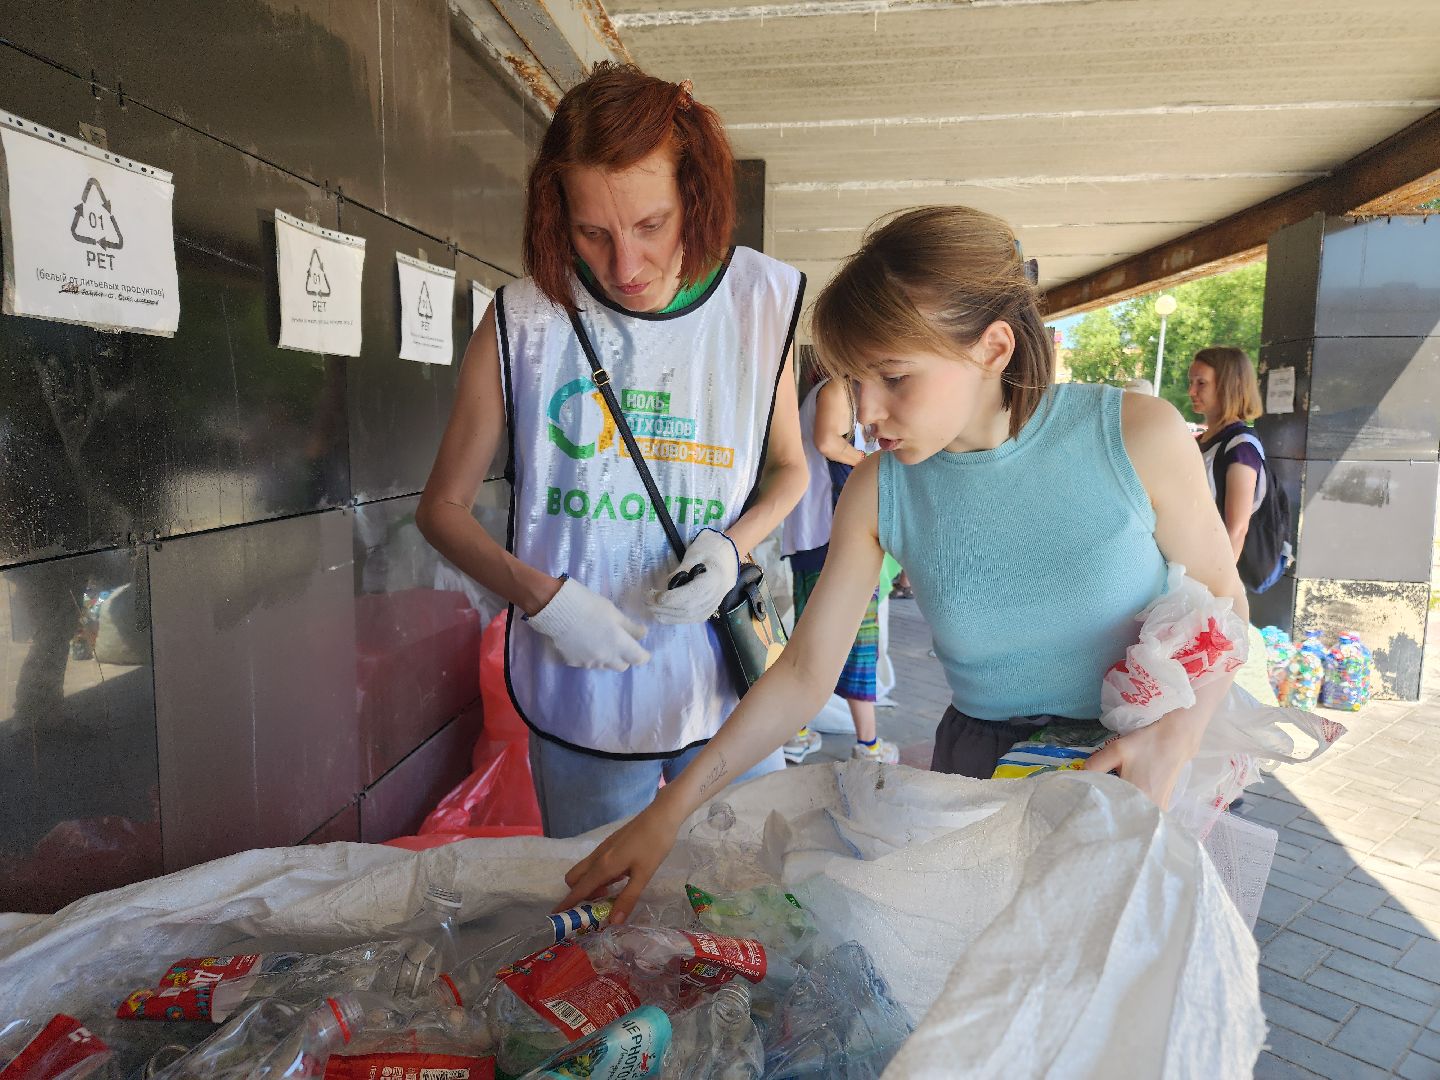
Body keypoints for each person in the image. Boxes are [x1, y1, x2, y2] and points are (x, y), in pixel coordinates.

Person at [558, 205, 1247, 922]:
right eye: (855, 382)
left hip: (1142, 774)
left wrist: (1178, 735)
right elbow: (800, 676)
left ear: (994, 347)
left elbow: (1227, 605)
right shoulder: (881, 485)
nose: (866, 413)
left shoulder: (1137, 436)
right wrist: (667, 816)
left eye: (892, 377)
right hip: (979, 789)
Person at [417, 64, 808, 839]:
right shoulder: (521, 322)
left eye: (650, 225)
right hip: (580, 686)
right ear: (555, 208)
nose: (624, 266)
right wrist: (542, 598)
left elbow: (792, 470)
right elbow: (441, 510)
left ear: (694, 195)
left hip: (722, 686)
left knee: (745, 903)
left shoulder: (759, 304)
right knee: (602, 921)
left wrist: (734, 547)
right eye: (592, 232)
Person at [780, 375, 899, 765]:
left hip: (818, 535)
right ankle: (868, 746)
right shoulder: (837, 390)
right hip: (831, 535)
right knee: (857, 636)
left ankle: (796, 733)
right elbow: (828, 442)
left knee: (813, 635)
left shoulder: (843, 390)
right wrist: (869, 462)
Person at [1187, 347, 1265, 564]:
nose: (1191, 391)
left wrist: (1218, 590)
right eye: (1191, 382)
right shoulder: (1199, 442)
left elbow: (1236, 531)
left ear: (1228, 385)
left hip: (1212, 573)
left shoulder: (1241, 446)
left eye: (1201, 383)